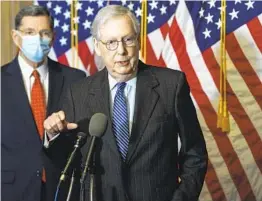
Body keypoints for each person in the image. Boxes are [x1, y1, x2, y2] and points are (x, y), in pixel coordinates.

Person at [44, 5, 208, 201]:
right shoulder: (77, 93)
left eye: (128, 39)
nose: (121, 50)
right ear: (97, 46)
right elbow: (66, 163)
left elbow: (195, 154)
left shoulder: (171, 86)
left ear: (138, 41)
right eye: (111, 42)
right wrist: (53, 135)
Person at [1, 5, 86, 201]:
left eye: (44, 33)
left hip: (62, 189)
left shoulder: (76, 79)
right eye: (29, 33)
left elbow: (82, 136)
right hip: (11, 191)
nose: (37, 39)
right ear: (16, 37)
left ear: (53, 36)